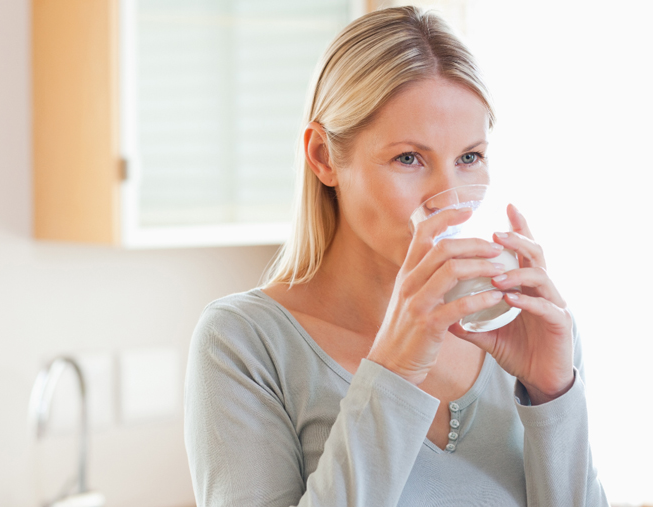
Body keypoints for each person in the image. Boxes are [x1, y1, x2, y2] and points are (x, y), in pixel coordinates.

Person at [185, 6, 609, 506]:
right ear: (323, 157)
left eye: (469, 158)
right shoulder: (245, 344)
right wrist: (395, 370)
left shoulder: (527, 333)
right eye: (409, 159)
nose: (451, 199)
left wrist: (552, 398)